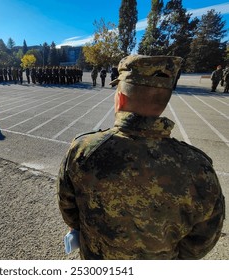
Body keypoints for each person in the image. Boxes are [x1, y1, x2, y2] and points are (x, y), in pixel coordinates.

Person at [57, 55, 225, 260]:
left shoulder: (84, 150)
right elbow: (203, 240)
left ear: (120, 97)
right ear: (163, 101)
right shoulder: (199, 169)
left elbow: (69, 211)